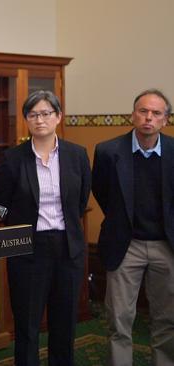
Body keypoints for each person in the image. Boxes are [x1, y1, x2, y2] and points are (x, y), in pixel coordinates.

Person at [0, 90, 91, 366]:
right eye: (33, 114)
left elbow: (81, 200)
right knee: (27, 325)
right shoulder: (13, 159)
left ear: (58, 117)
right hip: (28, 251)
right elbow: (3, 204)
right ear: (26, 119)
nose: (40, 120)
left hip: (68, 248)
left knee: (64, 323)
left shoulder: (77, 155)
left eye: (46, 113)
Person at [92, 89, 174, 365]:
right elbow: (102, 192)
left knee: (167, 319)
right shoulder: (108, 151)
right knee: (119, 319)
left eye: (156, 113)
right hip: (125, 244)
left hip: (167, 245)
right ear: (132, 114)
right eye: (143, 111)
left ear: (166, 120)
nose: (148, 118)